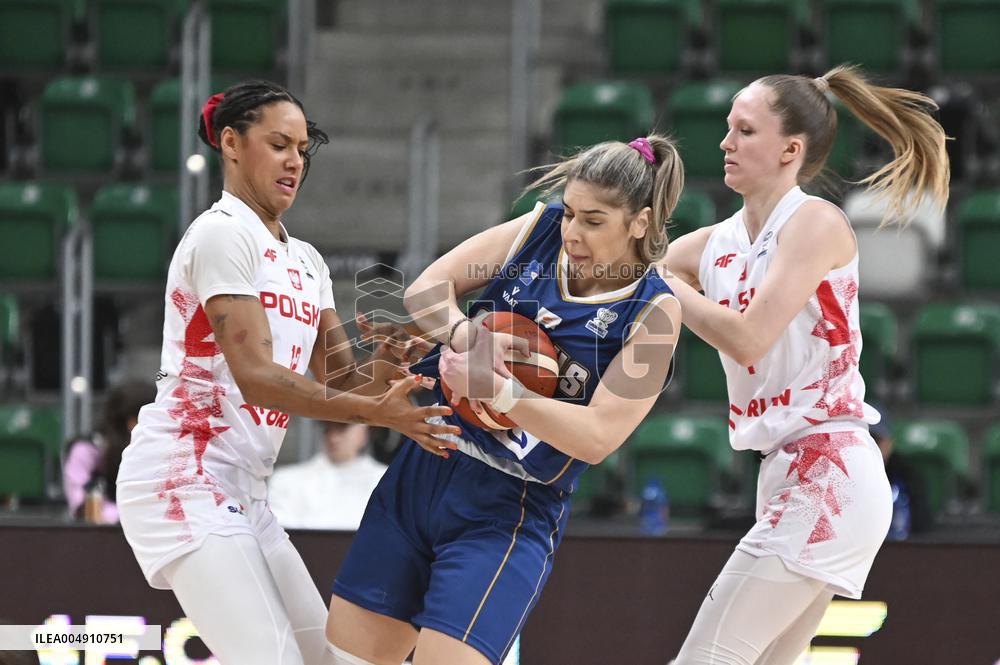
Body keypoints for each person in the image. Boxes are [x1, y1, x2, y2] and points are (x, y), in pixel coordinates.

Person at [115, 80, 460, 665]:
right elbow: (257, 377)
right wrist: (376, 412)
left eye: (303, 149)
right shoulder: (223, 234)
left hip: (246, 492)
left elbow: (345, 382)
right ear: (231, 143)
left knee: (329, 659)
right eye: (279, 145)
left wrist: (389, 362)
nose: (295, 161)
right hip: (184, 474)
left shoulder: (307, 260)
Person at [324, 135, 685, 665]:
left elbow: (599, 436)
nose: (572, 232)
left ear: (640, 222)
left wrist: (499, 391)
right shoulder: (538, 230)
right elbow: (425, 289)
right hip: (426, 464)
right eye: (570, 213)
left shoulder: (654, 312)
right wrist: (468, 337)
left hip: (510, 505)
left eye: (593, 221)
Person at [660, 65, 949, 664]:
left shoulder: (815, 222)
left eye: (745, 130)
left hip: (829, 468)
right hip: (785, 471)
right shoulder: (716, 243)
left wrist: (663, 285)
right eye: (728, 127)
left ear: (790, 150)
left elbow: (748, 340)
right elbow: (636, 272)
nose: (725, 142)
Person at [63, 380, 156, 523]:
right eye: (142, 419)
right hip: (102, 533)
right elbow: (84, 506)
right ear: (127, 421)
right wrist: (129, 518)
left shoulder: (158, 450)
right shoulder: (86, 450)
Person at [268, 421, 387, 530]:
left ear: (366, 430)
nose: (333, 438)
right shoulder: (287, 480)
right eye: (328, 427)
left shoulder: (385, 480)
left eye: (342, 428)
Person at [868, 406, 932, 535]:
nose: (871, 446)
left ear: (890, 443)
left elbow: (920, 524)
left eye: (876, 440)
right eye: (866, 440)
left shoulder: (908, 475)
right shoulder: (839, 474)